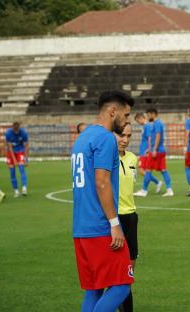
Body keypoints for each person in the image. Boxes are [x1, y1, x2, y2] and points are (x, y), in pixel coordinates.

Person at [71, 90, 134, 312]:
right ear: (113, 111)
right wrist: (114, 223)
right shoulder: (106, 138)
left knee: (94, 289)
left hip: (81, 228)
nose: (127, 121)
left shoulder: (83, 137)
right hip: (100, 228)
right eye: (126, 116)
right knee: (121, 286)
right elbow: (102, 182)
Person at [115, 123, 138, 312]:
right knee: (113, 272)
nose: (125, 140)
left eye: (128, 136)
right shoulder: (105, 159)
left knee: (129, 272)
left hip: (131, 217)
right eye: (121, 135)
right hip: (113, 219)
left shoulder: (133, 158)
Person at [134, 108, 173, 197]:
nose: (147, 117)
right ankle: (169, 190)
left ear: (152, 114)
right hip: (158, 150)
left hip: (156, 151)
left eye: (148, 115)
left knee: (147, 170)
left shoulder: (156, 124)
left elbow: (157, 136)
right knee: (163, 170)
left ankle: (144, 190)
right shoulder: (155, 124)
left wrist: (153, 149)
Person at [133, 113, 162, 193]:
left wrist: (149, 149)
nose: (138, 123)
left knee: (142, 170)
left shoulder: (147, 126)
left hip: (145, 152)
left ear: (140, 118)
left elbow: (150, 138)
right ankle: (157, 182)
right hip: (143, 151)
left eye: (137, 121)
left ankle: (145, 189)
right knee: (143, 171)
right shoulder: (146, 126)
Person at [5, 121, 29, 197]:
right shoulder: (8, 133)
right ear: (12, 128)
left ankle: (24, 188)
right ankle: (16, 191)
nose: (16, 132)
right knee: (12, 172)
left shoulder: (23, 133)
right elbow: (9, 147)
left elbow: (26, 146)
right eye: (14, 130)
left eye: (17, 130)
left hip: (20, 151)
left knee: (22, 168)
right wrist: (14, 160)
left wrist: (26, 159)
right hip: (11, 152)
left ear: (19, 128)